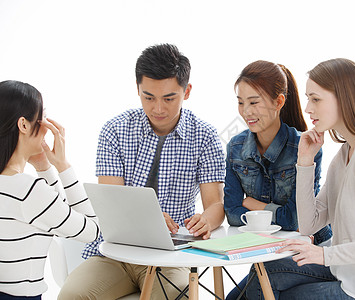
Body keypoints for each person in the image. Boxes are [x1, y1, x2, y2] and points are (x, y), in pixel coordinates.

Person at [246, 58, 355, 299]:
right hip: (352, 272)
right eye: (308, 98)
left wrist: (324, 255)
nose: (308, 108)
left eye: (316, 99)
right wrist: (305, 162)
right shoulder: (345, 154)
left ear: (345, 98)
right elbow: (309, 224)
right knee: (265, 273)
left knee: (283, 293)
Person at [58, 44, 226, 299]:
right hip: (114, 254)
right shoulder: (114, 130)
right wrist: (149, 219)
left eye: (169, 98)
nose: (158, 108)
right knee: (72, 296)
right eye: (149, 97)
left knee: (177, 295)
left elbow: (215, 205)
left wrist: (206, 220)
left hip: (171, 257)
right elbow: (111, 203)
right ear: (137, 89)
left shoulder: (205, 136)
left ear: (187, 91)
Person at [224, 60, 332, 300]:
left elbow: (296, 220)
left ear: (279, 102)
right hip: (270, 248)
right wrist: (276, 213)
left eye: (254, 102)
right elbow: (231, 212)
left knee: (254, 290)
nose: (246, 111)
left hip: (312, 247)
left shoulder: (303, 146)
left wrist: (254, 205)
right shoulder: (236, 147)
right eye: (241, 103)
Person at [0, 80, 100, 300]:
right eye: (42, 116)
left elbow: (55, 214)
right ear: (24, 125)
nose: (45, 124)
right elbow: (92, 230)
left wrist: (43, 167)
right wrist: (62, 166)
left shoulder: (20, 188)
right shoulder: (28, 191)